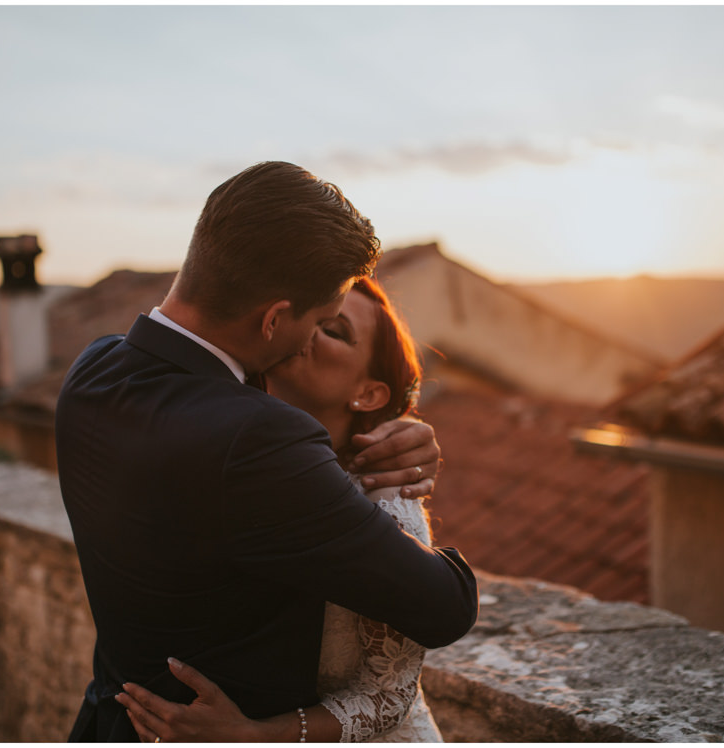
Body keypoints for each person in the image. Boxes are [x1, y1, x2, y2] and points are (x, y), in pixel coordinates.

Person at [56, 161, 478, 742]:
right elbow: (444, 607)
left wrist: (395, 428)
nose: (312, 340)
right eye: (322, 321)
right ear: (276, 318)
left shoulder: (92, 371)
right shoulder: (256, 441)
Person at [117, 277, 444, 742]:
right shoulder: (230, 445)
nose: (310, 329)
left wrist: (252, 734)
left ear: (368, 394)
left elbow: (390, 696)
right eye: (312, 314)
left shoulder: (386, 506)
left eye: (334, 330)